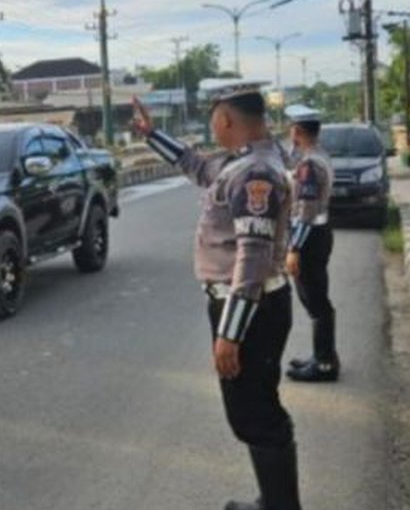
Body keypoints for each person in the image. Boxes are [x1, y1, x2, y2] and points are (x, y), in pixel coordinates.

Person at [132, 83, 302, 510]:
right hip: (250, 306)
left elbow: (254, 256)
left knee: (257, 415)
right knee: (252, 408)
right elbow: (197, 167)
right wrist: (152, 134)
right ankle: (272, 500)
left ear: (225, 118)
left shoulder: (254, 174)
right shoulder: (244, 162)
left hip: (249, 308)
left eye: (213, 116)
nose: (211, 124)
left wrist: (230, 332)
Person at [282, 107, 338, 383]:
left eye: (292, 128)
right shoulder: (318, 155)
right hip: (319, 233)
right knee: (317, 298)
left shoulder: (309, 165)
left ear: (299, 131)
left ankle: (325, 363)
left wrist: (294, 249)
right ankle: (322, 355)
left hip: (309, 237)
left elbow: (306, 209)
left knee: (315, 300)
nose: (289, 133)